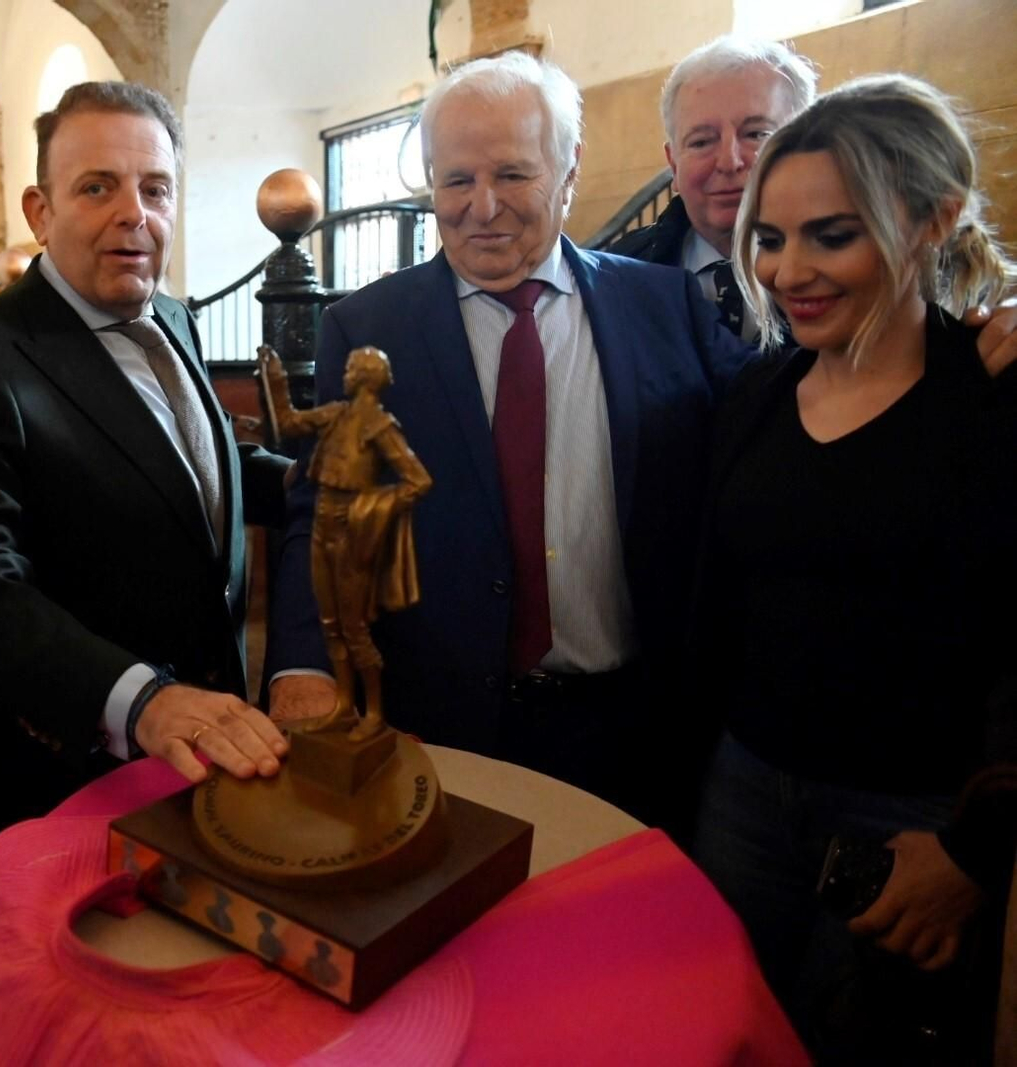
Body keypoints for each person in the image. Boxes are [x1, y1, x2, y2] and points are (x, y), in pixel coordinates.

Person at [265, 52, 756, 831]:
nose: (482, 207)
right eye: (455, 181)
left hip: (636, 729)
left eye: (514, 176)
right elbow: (322, 511)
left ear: (568, 171)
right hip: (444, 731)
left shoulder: (667, 308)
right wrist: (301, 663)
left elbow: (785, 421)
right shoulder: (367, 328)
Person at [692, 74, 1017, 1059]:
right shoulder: (755, 395)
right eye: (770, 237)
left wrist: (973, 848)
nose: (791, 269)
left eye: (830, 235)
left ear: (932, 217)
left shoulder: (994, 401)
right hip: (744, 789)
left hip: (910, 822)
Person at [0, 81, 292, 841]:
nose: (133, 214)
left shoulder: (170, 315)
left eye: (155, 189)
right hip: (60, 763)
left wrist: (300, 481)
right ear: (39, 212)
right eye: (97, 187)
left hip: (206, 739)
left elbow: (181, 465)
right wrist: (140, 699)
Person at [258, 344, 432, 741]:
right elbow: (288, 423)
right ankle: (341, 707)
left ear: (369, 376)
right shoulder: (336, 413)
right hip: (323, 524)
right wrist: (276, 381)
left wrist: (374, 505)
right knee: (331, 623)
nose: (347, 372)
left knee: (356, 630)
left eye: (354, 367)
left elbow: (417, 480)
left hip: (355, 531)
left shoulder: (380, 427)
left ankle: (372, 714)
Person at [608, 35, 817, 337]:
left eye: (756, 134)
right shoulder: (616, 280)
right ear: (674, 164)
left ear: (807, 145)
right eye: (702, 141)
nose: (728, 161)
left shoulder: (851, 273)